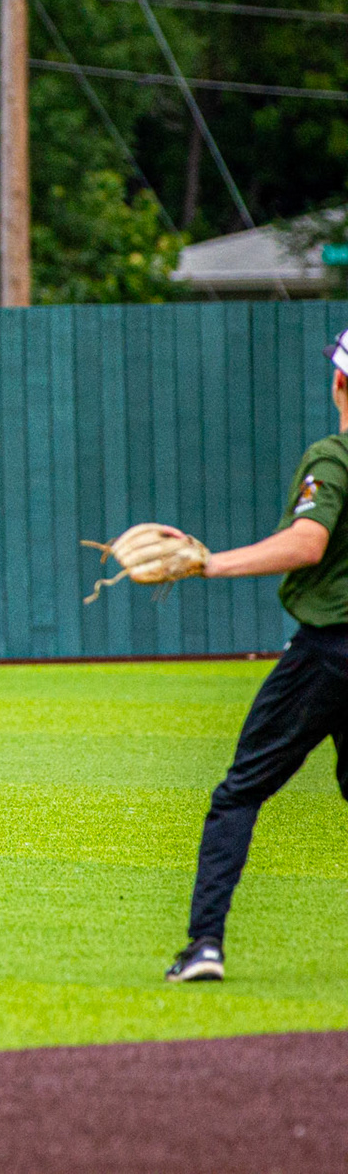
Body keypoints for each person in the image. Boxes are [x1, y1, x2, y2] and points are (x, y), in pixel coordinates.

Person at [164, 329, 348, 982]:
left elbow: (307, 543)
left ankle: (204, 946)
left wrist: (212, 563)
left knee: (239, 792)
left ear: (340, 382)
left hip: (328, 653)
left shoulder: (333, 457)